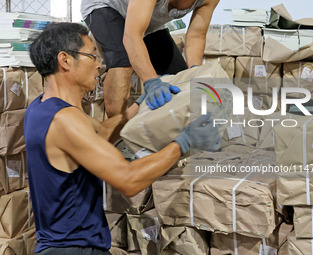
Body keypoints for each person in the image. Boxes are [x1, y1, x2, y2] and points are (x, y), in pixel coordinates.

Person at [24, 22, 221, 254]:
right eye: (92, 55)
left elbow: (101, 133)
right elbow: (129, 180)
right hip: (75, 248)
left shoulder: (41, 108)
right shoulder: (65, 120)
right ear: (65, 60)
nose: (99, 65)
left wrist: (140, 103)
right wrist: (184, 142)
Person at [81, 0, 220, 115]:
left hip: (144, 18)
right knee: (123, 61)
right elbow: (132, 37)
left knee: (180, 76)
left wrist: (195, 72)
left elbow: (196, 35)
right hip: (106, 6)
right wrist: (152, 81)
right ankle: (115, 136)